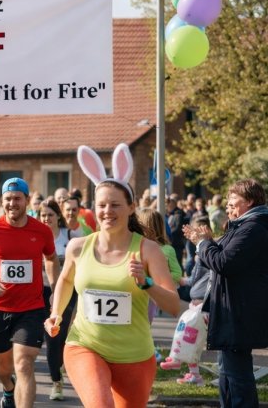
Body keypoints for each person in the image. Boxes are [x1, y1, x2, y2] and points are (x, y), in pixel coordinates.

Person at [46, 144, 179, 408]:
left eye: (115, 205)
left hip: (134, 354)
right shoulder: (78, 247)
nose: (108, 211)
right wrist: (56, 314)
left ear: (131, 208)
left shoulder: (149, 250)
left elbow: (174, 306)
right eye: (102, 205)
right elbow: (66, 280)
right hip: (85, 344)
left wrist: (147, 283)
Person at [0, 177, 58, 408]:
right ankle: (8, 388)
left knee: (24, 363)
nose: (12, 203)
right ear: (1, 202)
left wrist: (55, 288)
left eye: (17, 198)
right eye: (7, 199)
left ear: (27, 200)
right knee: (3, 369)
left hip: (32, 308)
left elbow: (51, 258)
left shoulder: (41, 230)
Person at [183, 178, 268, 407]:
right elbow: (220, 255)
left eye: (234, 200)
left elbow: (223, 263)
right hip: (230, 311)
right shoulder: (242, 226)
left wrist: (203, 244)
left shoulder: (253, 228)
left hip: (239, 313)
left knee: (237, 378)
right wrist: (205, 241)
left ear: (249, 201)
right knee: (228, 376)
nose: (229, 205)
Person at [161, 217, 214, 386]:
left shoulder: (209, 251)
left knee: (188, 334)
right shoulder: (202, 252)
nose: (192, 236)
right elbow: (197, 278)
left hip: (203, 306)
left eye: (195, 232)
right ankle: (194, 375)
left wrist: (186, 281)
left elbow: (205, 279)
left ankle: (176, 358)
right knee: (193, 339)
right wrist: (184, 280)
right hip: (196, 303)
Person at [36, 199, 76, 401]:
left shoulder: (70, 237)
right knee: (50, 338)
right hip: (41, 292)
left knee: (61, 337)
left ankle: (61, 365)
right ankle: (56, 382)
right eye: (43, 215)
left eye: (50, 215)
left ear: (58, 216)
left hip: (67, 293)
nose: (46, 219)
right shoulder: (34, 237)